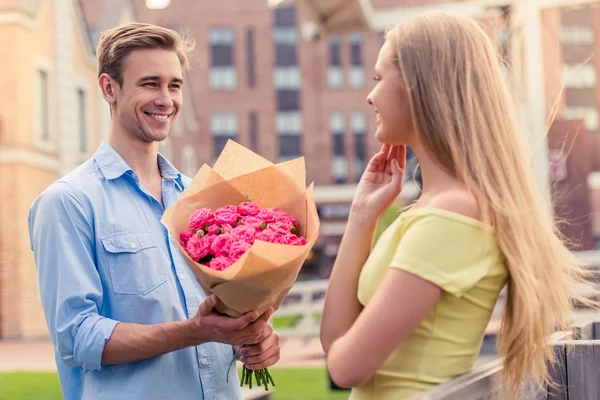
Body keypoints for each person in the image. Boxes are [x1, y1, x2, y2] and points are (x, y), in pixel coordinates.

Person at [320, 11, 597, 400]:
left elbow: (345, 367)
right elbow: (334, 340)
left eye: (379, 79)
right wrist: (361, 216)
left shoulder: (451, 217)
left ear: (419, 88)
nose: (370, 96)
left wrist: (341, 353)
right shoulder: (438, 209)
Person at [28, 23, 279, 400]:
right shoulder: (67, 203)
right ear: (108, 89)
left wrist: (251, 341)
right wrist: (197, 331)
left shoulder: (201, 198)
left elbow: (220, 318)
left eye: (174, 85)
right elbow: (78, 338)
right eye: (150, 83)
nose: (166, 99)